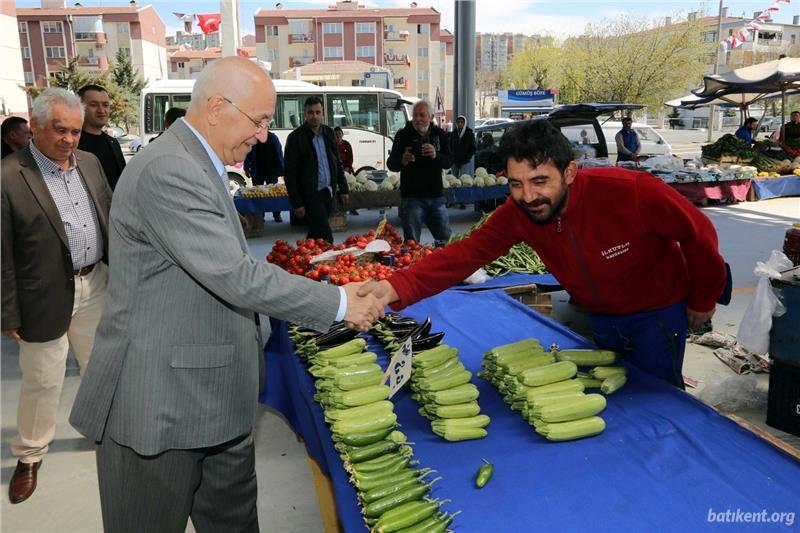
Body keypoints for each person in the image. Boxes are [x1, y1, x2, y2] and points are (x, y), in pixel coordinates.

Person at [68, 57, 384, 532]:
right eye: (258, 122)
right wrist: (339, 302)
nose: (262, 136)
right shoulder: (169, 169)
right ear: (217, 107)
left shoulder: (200, 162)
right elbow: (234, 275)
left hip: (218, 400)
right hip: (161, 409)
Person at [362, 119, 726, 389]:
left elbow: (699, 233)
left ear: (569, 172)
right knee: (616, 394)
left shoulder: (630, 192)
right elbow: (464, 254)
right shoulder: (519, 213)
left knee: (660, 398)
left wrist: (703, 297)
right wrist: (395, 288)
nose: (528, 196)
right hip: (599, 316)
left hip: (656, 314)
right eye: (516, 183)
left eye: (540, 182)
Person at [2, 88, 112, 504]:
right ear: (34, 125)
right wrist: (7, 312)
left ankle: (101, 429)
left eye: (76, 131)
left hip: (95, 282)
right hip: (42, 295)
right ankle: (30, 454)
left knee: (99, 366)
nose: (69, 140)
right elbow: (2, 255)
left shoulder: (90, 163)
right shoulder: (9, 176)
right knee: (42, 380)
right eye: (59, 130)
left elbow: (108, 213)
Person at [284, 96, 349, 244]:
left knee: (315, 233)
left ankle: (305, 257)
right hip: (311, 194)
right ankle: (329, 264)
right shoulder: (295, 138)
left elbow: (337, 162)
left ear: (323, 113)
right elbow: (290, 173)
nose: (315, 116)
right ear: (305, 113)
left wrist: (343, 188)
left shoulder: (329, 133)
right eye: (311, 112)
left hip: (328, 192)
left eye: (318, 112)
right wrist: (297, 202)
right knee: (326, 236)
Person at [387, 100, 453, 244]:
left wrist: (436, 155)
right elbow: (391, 164)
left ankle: (444, 265)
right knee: (412, 244)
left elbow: (449, 161)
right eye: (415, 115)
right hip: (412, 199)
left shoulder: (440, 135)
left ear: (430, 117)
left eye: (422, 115)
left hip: (436, 197)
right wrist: (402, 161)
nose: (417, 119)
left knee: (446, 241)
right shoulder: (402, 135)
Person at [76, 84, 126, 190]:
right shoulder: (73, 144)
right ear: (79, 107)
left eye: (105, 105)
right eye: (94, 105)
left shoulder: (113, 143)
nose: (101, 110)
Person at [244, 130, 285, 222]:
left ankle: (277, 215)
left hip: (272, 172)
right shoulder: (254, 138)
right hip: (257, 172)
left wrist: (282, 170)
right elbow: (248, 153)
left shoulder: (273, 137)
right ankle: (260, 216)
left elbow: (279, 153)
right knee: (259, 196)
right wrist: (246, 167)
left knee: (274, 195)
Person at [335, 126, 360, 216]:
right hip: (336, 171)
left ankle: (353, 208)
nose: (338, 136)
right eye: (336, 135)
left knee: (351, 188)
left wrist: (347, 167)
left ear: (342, 135)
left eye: (339, 134)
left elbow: (350, 157)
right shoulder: (332, 145)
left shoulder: (346, 144)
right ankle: (341, 208)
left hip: (347, 169)